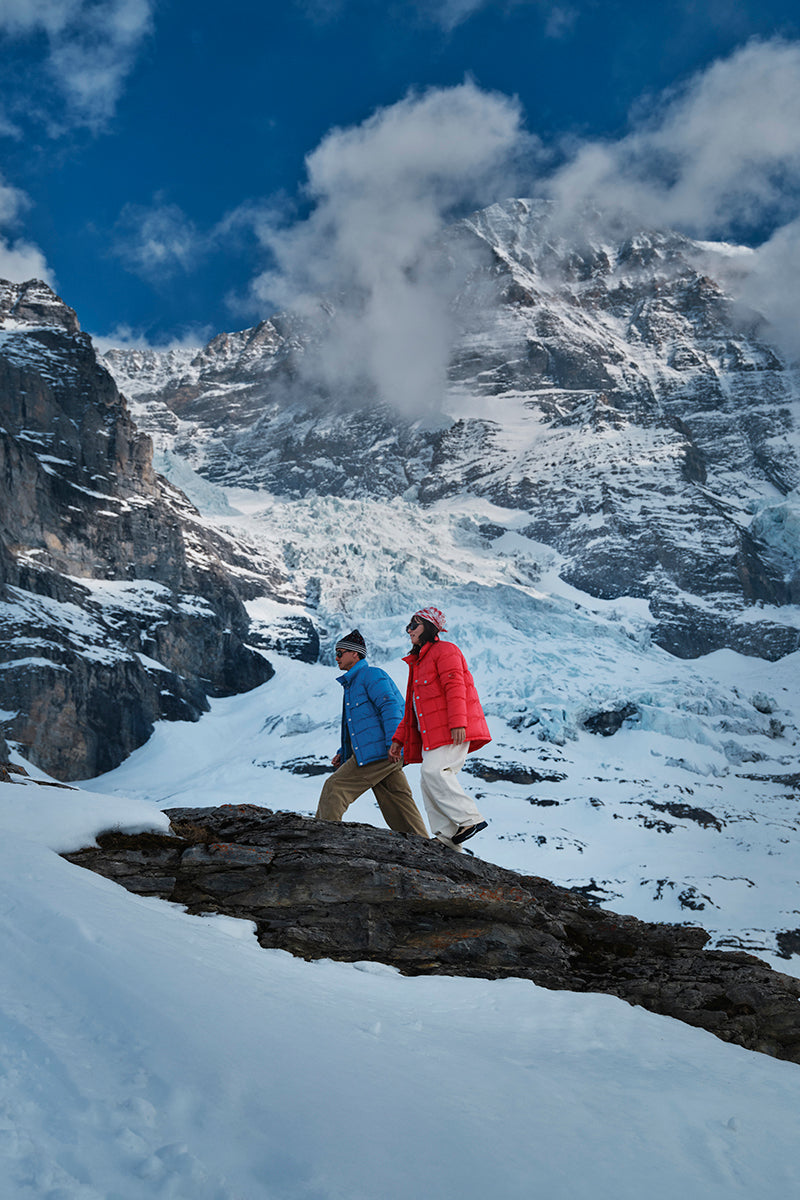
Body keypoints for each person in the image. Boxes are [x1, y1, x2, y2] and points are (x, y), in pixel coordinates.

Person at [390, 606, 491, 852]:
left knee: (435, 771)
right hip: (432, 734)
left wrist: (459, 723)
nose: (409, 630)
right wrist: (399, 740)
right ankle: (447, 836)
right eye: (408, 626)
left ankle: (470, 820)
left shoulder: (446, 651)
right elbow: (412, 708)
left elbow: (456, 687)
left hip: (451, 729)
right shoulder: (419, 662)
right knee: (427, 779)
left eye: (414, 625)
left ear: (430, 627)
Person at [316, 629, 429, 837]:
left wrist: (394, 742)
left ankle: (323, 839)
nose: (336, 657)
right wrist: (344, 750)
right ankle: (424, 847)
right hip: (385, 749)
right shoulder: (353, 684)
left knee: (335, 787)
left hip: (382, 750)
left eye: (340, 653)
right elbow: (360, 725)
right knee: (397, 801)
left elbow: (391, 707)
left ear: (355, 654)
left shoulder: (371, 675)